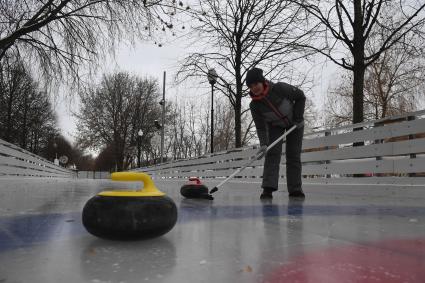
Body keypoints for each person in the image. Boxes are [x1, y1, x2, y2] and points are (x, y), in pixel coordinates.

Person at [246, 67, 306, 199]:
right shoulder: (254, 106)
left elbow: (301, 96)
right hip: (275, 126)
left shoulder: (279, 88)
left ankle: (295, 189)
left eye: (256, 84)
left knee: (293, 155)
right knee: (272, 154)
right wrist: (263, 144)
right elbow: (261, 127)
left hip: (295, 123)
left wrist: (298, 118)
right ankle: (268, 188)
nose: (254, 88)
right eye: (251, 86)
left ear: (262, 81)